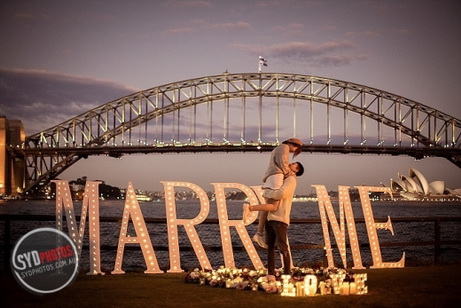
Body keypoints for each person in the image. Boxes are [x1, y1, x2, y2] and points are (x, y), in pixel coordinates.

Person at [243, 162, 304, 279]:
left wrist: (266, 193)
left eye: (294, 164)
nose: (290, 163)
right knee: (270, 247)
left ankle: (287, 274)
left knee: (283, 247)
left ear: (296, 170)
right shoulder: (282, 178)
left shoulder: (291, 180)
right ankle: (270, 274)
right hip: (270, 217)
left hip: (280, 218)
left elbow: (281, 193)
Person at [251, 137, 303, 249]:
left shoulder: (277, 149)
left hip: (272, 176)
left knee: (268, 207)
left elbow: (281, 163)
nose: (294, 151)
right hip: (276, 176)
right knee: (274, 206)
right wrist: (290, 174)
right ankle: (250, 208)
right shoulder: (284, 147)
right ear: (291, 143)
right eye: (295, 148)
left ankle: (259, 233)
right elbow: (282, 164)